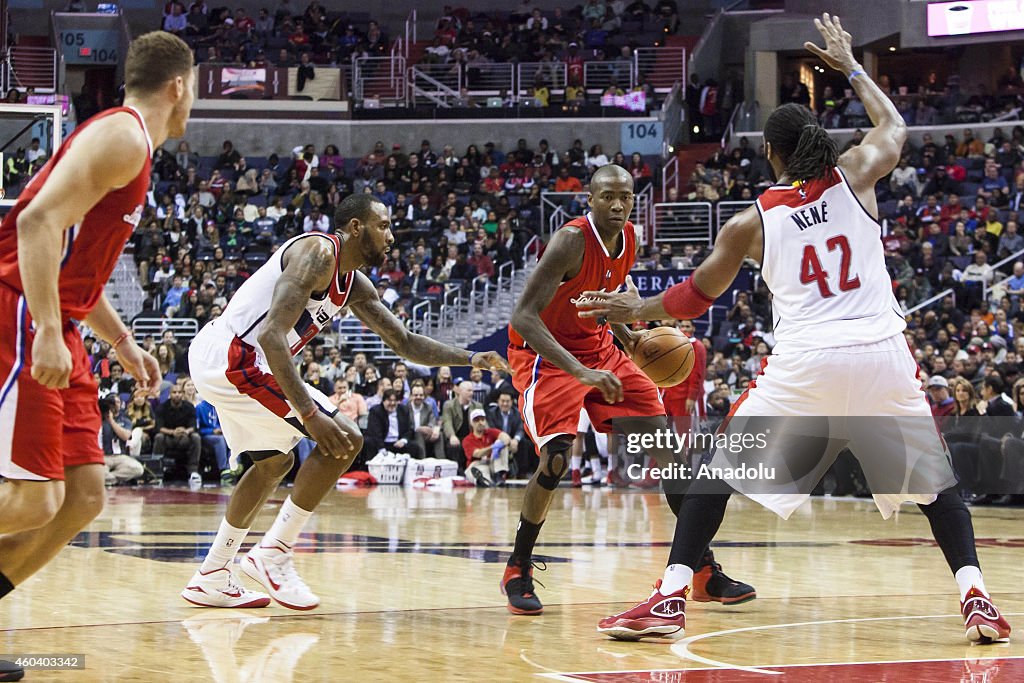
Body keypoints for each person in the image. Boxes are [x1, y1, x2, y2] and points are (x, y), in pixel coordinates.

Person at [578, 14, 1011, 644]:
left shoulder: (751, 223)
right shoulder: (859, 172)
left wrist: (633, 311)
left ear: (772, 154)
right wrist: (854, 67)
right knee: (934, 480)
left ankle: (670, 595)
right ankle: (976, 598)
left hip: (807, 361)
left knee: (715, 472)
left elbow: (694, 296)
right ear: (822, 142)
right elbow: (895, 126)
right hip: (880, 353)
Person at [181, 193, 508, 611]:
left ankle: (212, 573)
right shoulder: (318, 252)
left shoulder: (352, 283)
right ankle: (274, 552)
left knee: (273, 465)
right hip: (235, 355)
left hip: (230, 358)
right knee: (344, 438)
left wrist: (469, 358)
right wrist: (309, 413)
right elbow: (270, 336)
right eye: (383, 226)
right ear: (355, 227)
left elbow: (405, 342)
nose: (391, 236)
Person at [0, 35, 192, 683]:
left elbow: (78, 261)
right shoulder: (125, 137)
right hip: (22, 307)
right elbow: (35, 226)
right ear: (179, 86)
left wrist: (122, 341)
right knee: (32, 498)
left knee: (83, 497)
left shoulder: (130, 143)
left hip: (66, 319)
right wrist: (48, 329)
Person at [502, 163, 754, 616]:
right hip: (546, 355)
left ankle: (701, 570)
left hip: (599, 349)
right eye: (608, 197)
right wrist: (579, 370)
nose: (618, 205)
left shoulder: (630, 237)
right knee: (557, 456)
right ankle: (518, 566)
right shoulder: (571, 241)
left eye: (626, 197)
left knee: (670, 457)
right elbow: (523, 317)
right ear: (591, 200)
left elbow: (611, 294)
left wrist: (631, 337)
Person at [462, 408, 510, 487]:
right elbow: (477, 454)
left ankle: (499, 474)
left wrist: (500, 443)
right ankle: (485, 481)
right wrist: (493, 447)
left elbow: (506, 437)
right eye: (476, 420)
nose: (480, 422)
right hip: (477, 464)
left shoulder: (491, 432)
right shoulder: (467, 440)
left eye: (482, 419)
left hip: (493, 462)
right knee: (477, 473)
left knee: (502, 446)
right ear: (471, 423)